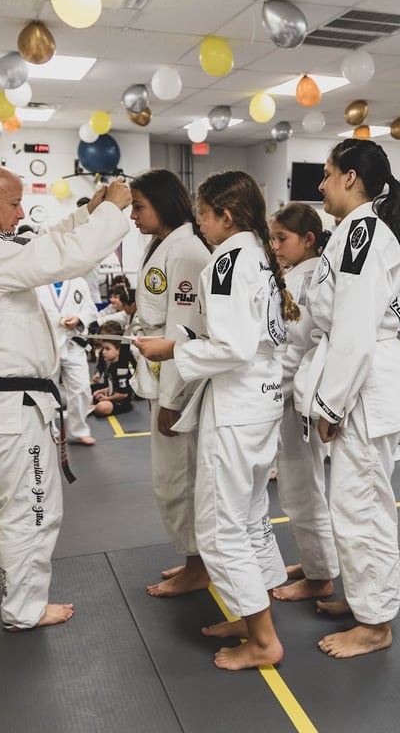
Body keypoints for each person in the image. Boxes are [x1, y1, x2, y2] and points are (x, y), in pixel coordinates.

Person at [0, 164, 133, 630]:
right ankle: (24, 609)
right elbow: (65, 257)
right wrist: (113, 211)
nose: (20, 213)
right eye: (13, 204)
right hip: (8, 413)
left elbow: (36, 244)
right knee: (32, 509)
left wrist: (87, 212)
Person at [135, 170, 293, 671]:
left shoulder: (227, 261)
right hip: (262, 399)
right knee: (249, 515)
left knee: (221, 526)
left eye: (203, 213)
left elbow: (233, 347)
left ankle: (264, 641)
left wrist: (172, 349)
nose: (198, 222)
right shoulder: (258, 254)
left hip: (238, 407)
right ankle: (254, 616)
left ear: (225, 216)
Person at [300, 138, 400, 658]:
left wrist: (332, 403)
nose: (321, 184)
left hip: (363, 388)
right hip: (366, 381)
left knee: (361, 507)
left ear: (350, 177)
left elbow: (354, 328)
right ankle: (364, 599)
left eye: (327, 174)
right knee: (356, 502)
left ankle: (375, 624)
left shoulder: (362, 233)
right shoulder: (356, 231)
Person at [128, 169, 212, 597]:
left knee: (179, 478)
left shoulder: (187, 252)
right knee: (171, 478)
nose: (133, 216)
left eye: (139, 207)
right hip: (159, 375)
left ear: (163, 204)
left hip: (178, 384)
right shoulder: (163, 244)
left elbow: (184, 331)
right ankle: (193, 558)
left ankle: (199, 565)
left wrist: (173, 400)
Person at [267, 202, 339, 604]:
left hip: (296, 395)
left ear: (309, 239)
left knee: (301, 488)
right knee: (302, 485)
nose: (276, 246)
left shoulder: (307, 282)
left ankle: (320, 576)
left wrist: (266, 391)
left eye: (283, 238)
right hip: (290, 392)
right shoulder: (297, 276)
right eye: (273, 238)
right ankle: (316, 563)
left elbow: (298, 350)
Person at [36, 276, 99, 444]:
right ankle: (50, 431)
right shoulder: (38, 282)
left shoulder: (79, 281)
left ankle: (79, 430)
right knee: (47, 390)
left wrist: (79, 319)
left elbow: (90, 309)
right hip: (47, 344)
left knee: (82, 388)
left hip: (73, 343)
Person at [90, 334, 135, 417]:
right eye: (103, 348)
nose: (103, 352)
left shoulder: (121, 370)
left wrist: (107, 399)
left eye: (107, 349)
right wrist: (102, 391)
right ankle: (91, 407)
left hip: (122, 403)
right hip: (112, 395)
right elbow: (113, 385)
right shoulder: (111, 364)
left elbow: (123, 394)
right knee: (91, 396)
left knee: (102, 407)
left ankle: (93, 408)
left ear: (118, 350)